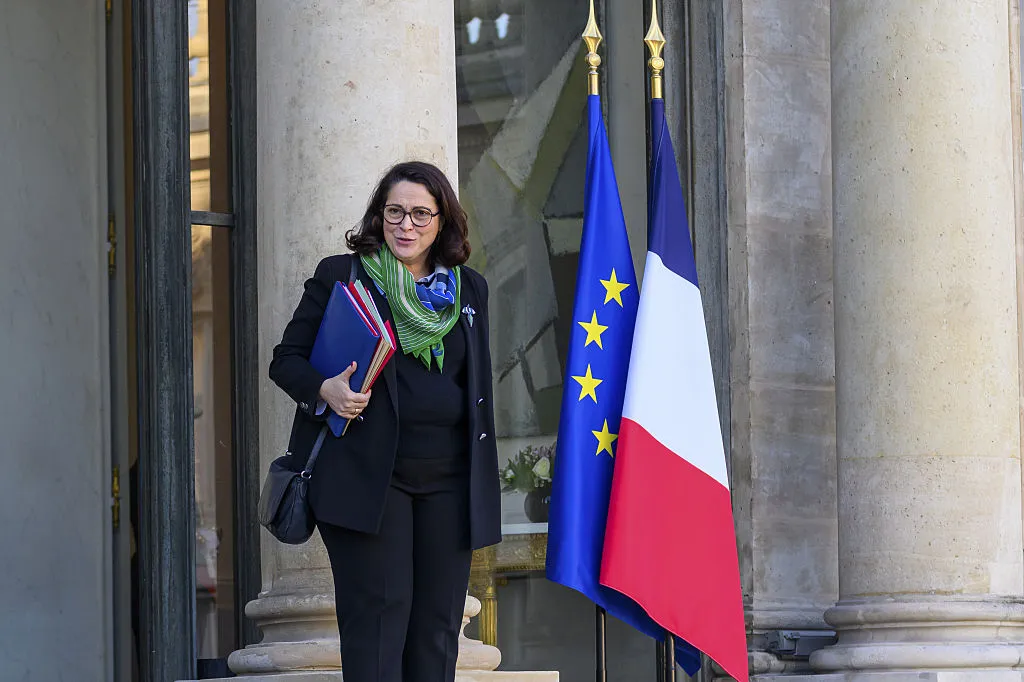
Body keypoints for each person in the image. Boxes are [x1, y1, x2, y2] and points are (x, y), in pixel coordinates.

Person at [269, 161, 502, 682]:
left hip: (450, 482)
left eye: (421, 213)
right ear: (379, 216)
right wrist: (325, 390)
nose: (406, 225)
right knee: (379, 623)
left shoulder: (469, 291)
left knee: (437, 631)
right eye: (394, 211)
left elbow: (475, 388)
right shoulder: (342, 276)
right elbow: (286, 360)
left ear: (442, 221)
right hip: (369, 480)